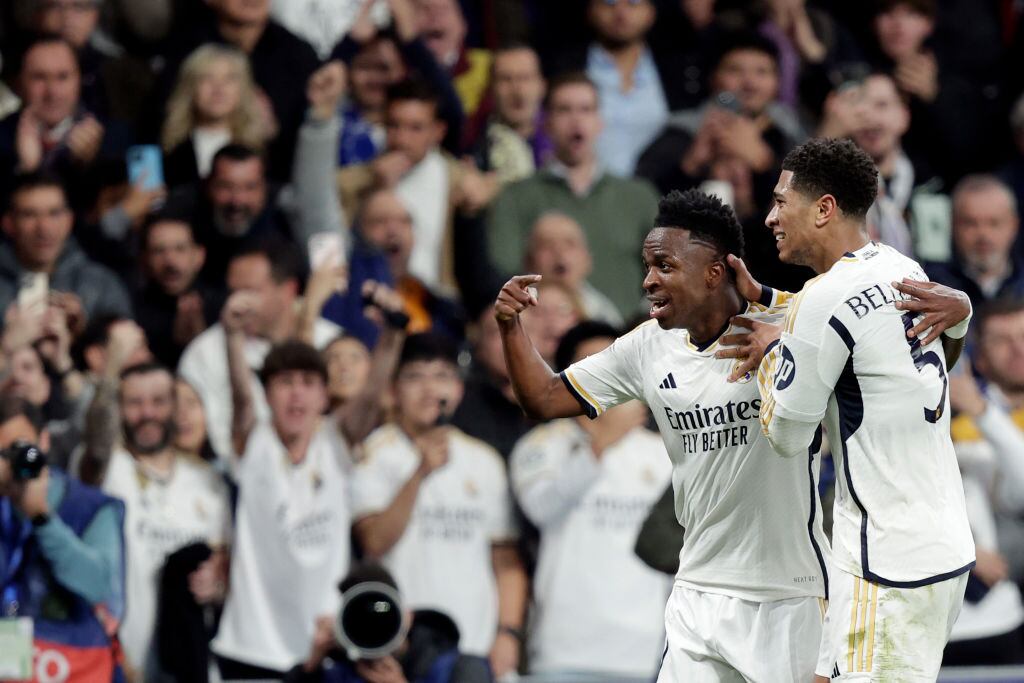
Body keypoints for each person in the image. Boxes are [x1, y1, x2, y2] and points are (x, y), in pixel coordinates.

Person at [494, 188, 831, 681]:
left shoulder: (789, 326)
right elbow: (542, 399)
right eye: (647, 266)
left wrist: (956, 317)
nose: (649, 280)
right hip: (696, 590)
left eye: (665, 266)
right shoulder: (647, 347)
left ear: (715, 271)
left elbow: (878, 342)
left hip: (787, 594)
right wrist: (509, 326)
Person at [754, 137, 974, 680]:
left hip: (886, 562)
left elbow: (785, 433)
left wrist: (770, 355)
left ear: (824, 208)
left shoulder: (822, 299)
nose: (769, 217)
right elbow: (935, 355)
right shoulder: (904, 268)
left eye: (782, 202)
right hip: (940, 545)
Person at [210, 283, 405, 678]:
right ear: (267, 394)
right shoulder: (254, 443)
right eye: (284, 383)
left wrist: (393, 333)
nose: (296, 395)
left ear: (323, 395)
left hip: (325, 639)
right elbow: (240, 398)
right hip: (250, 643)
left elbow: (369, 397)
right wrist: (232, 336)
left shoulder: (336, 441)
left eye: (307, 383)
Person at [350, 333, 527, 677]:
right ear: (393, 390)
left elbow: (505, 561)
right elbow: (373, 542)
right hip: (396, 645)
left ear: (459, 390)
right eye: (415, 377)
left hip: (473, 648)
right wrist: (420, 473)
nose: (431, 390)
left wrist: (508, 632)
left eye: (442, 376)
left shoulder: (484, 460)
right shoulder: (374, 454)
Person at [510, 321, 672, 680]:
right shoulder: (543, 445)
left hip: (642, 651)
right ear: (566, 375)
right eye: (590, 363)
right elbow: (541, 507)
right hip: (563, 649)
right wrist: (601, 442)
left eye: (610, 360)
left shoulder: (662, 453)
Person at [78, 360, 230, 681]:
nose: (147, 413)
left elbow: (225, 567)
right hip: (117, 662)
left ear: (175, 406)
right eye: (134, 402)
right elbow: (96, 444)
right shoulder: (107, 470)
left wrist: (218, 578)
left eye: (159, 401)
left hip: (189, 664)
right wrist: (109, 374)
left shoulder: (208, 482)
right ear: (119, 408)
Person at [487, 72, 659, 317]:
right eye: (564, 110)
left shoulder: (639, 197)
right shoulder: (516, 197)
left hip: (627, 338)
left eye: (586, 110)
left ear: (600, 122)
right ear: (546, 124)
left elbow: (666, 275)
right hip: (548, 337)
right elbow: (505, 276)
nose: (576, 121)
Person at [177, 241, 341, 460]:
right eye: (233, 291)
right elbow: (220, 444)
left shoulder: (332, 341)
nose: (237, 300)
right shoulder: (204, 352)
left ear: (288, 291)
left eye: (250, 291)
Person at [0, 394, 125, 683]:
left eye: (19, 448)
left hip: (73, 664)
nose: (11, 462)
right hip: (11, 661)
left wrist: (41, 517)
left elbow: (97, 585)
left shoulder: (91, 505)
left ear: (44, 440)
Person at [335, 79, 487, 293]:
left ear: (438, 131)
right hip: (370, 298)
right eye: (394, 125)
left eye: (415, 128)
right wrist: (376, 190)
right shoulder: (351, 183)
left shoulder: (457, 180)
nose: (402, 139)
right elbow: (340, 245)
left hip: (435, 308)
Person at [943, 298, 1024, 664]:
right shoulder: (953, 420)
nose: (1018, 350)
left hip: (1004, 603)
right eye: (1002, 340)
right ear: (979, 356)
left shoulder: (983, 419)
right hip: (958, 607)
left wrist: (984, 413)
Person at [287, 562, 493, 683]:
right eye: (360, 619)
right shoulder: (341, 674)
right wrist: (310, 667)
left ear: (407, 616)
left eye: (382, 611)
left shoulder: (460, 669)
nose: (373, 624)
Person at [0, 34, 129, 209]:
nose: (52, 92)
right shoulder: (3, 137)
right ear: (19, 83)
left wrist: (89, 166)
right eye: (39, 77)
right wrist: (26, 171)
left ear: (79, 80)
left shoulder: (116, 137)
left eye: (63, 77)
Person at [0, 172, 132, 329]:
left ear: (69, 220)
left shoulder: (101, 283)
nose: (44, 228)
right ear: (8, 224)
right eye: (29, 215)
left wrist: (82, 331)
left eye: (54, 213)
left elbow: (131, 347)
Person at [160, 43, 273, 187]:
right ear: (190, 87)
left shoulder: (264, 151)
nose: (219, 89)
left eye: (229, 79)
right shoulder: (167, 152)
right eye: (207, 78)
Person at [134, 213, 223, 368]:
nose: (170, 261)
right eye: (158, 251)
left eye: (180, 249)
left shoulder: (221, 305)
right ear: (145, 259)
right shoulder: (133, 309)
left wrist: (201, 340)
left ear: (199, 256)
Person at [925, 175, 1024, 313]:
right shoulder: (931, 287)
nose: (983, 234)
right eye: (970, 223)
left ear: (1014, 226)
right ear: (953, 226)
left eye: (994, 223)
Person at [523, 212, 623, 326]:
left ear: (587, 259)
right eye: (546, 244)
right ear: (529, 261)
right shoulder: (516, 312)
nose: (559, 251)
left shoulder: (603, 315)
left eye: (569, 243)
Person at [470, 44, 550, 185]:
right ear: (490, 89)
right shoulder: (472, 142)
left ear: (542, 86)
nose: (517, 90)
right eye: (506, 79)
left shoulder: (562, 141)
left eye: (525, 78)